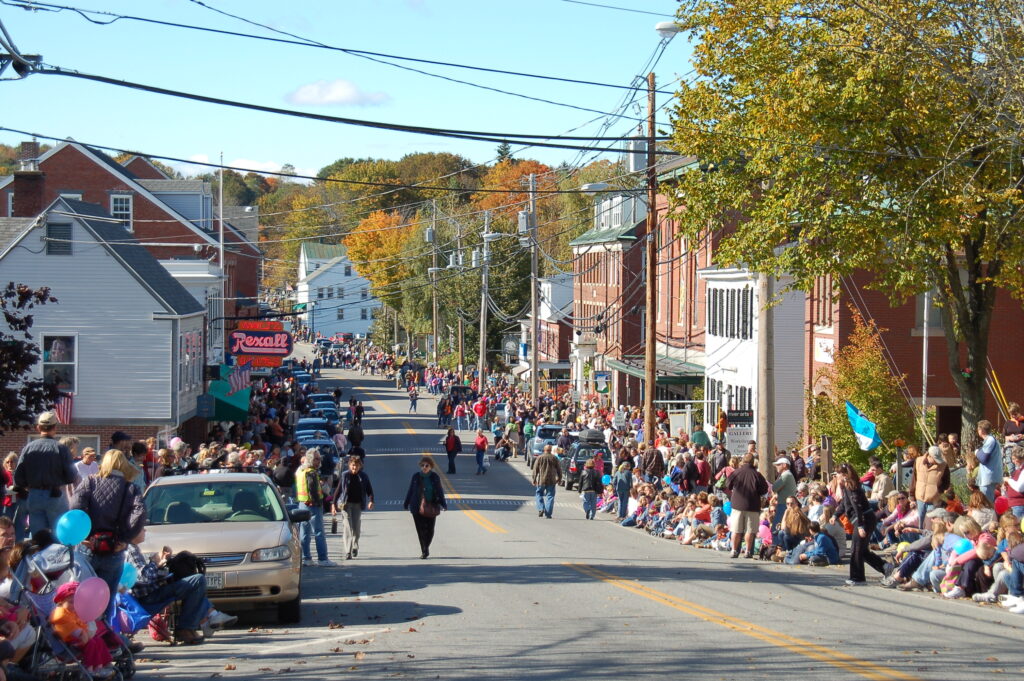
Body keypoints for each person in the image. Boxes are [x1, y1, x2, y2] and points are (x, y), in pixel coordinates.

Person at [70, 449, 147, 623]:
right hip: (114, 548)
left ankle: (86, 641)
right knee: (106, 601)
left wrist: (84, 535)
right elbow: (140, 513)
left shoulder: (89, 482)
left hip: (89, 546)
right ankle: (105, 640)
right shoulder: (130, 488)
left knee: (83, 598)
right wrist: (125, 538)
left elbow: (76, 507)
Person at [14, 412, 79, 535]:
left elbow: (18, 478)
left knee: (38, 538)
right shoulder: (61, 449)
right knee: (59, 536)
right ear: (55, 428)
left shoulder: (28, 448)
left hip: (34, 495)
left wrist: (29, 486)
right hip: (56, 496)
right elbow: (71, 476)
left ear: (38, 428)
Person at [834, 462, 889, 586]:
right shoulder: (847, 486)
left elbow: (857, 507)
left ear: (844, 475)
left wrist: (860, 526)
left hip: (864, 519)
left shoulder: (851, 486)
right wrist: (835, 515)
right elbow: (844, 504)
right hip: (862, 520)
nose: (836, 476)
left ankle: (858, 578)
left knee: (856, 549)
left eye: (837, 473)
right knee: (862, 550)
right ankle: (885, 566)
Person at [295, 450, 336, 567]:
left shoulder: (300, 470)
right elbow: (313, 491)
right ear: (310, 460)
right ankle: (322, 559)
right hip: (313, 505)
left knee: (304, 533)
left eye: (319, 458)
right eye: (317, 459)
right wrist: (318, 501)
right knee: (319, 532)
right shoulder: (312, 473)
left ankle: (306, 558)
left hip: (302, 504)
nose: (319, 461)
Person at [724, 453, 769, 559]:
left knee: (736, 529)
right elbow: (764, 489)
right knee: (750, 530)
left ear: (743, 461)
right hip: (752, 505)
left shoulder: (736, 472)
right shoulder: (757, 475)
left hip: (737, 505)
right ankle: (748, 551)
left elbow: (727, 484)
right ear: (753, 462)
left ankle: (734, 550)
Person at [403, 457, 447, 559]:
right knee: (420, 529)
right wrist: (406, 503)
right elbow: (410, 490)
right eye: (422, 465)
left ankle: (426, 545)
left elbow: (439, 491)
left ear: (431, 466)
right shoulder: (416, 477)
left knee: (430, 529)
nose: (424, 467)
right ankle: (424, 550)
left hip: (431, 506)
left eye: (427, 465)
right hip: (417, 506)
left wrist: (443, 504)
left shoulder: (435, 477)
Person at [331, 457, 374, 560]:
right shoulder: (345, 475)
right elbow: (338, 490)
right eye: (353, 465)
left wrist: (371, 501)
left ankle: (355, 545)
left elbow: (369, 490)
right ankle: (348, 551)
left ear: (360, 466)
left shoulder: (363, 476)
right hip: (346, 505)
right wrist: (333, 504)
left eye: (357, 465)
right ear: (349, 466)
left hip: (358, 504)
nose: (354, 467)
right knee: (347, 527)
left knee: (356, 529)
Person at [910, 445, 950, 528]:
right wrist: (911, 495)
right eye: (935, 459)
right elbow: (914, 479)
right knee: (920, 523)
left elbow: (946, 482)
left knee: (930, 525)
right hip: (920, 498)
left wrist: (938, 491)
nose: (937, 461)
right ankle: (921, 539)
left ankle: (929, 539)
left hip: (933, 500)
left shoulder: (944, 466)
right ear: (929, 456)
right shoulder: (918, 461)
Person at [975, 420, 1003, 502]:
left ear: (981, 430)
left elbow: (983, 459)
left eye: (978, 429)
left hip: (988, 477)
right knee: (988, 503)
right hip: (988, 477)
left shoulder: (990, 440)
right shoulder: (989, 440)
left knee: (987, 504)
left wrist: (977, 452)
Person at [532, 444, 560, 519]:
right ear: (550, 450)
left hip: (541, 480)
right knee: (550, 496)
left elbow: (535, 470)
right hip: (551, 480)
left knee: (539, 494)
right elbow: (559, 469)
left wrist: (534, 479)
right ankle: (548, 514)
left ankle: (541, 508)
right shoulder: (554, 458)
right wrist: (559, 478)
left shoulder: (540, 457)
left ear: (544, 450)